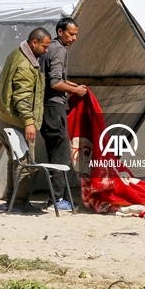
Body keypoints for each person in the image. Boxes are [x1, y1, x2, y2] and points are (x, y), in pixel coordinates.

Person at [0, 27, 50, 204]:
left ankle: (12, 200)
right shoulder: (26, 65)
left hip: (5, 117)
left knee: (14, 160)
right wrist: (29, 122)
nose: (46, 50)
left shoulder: (16, 54)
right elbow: (22, 97)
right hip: (17, 120)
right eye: (44, 46)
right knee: (25, 163)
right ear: (34, 43)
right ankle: (19, 201)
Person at [38, 17, 87, 211]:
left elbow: (53, 77)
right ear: (60, 32)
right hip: (54, 107)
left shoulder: (47, 49)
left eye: (76, 34)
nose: (74, 38)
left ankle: (58, 197)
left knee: (54, 153)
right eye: (71, 34)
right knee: (61, 155)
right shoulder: (59, 50)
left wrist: (71, 84)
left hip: (45, 107)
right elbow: (55, 82)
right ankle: (56, 200)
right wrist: (76, 91)